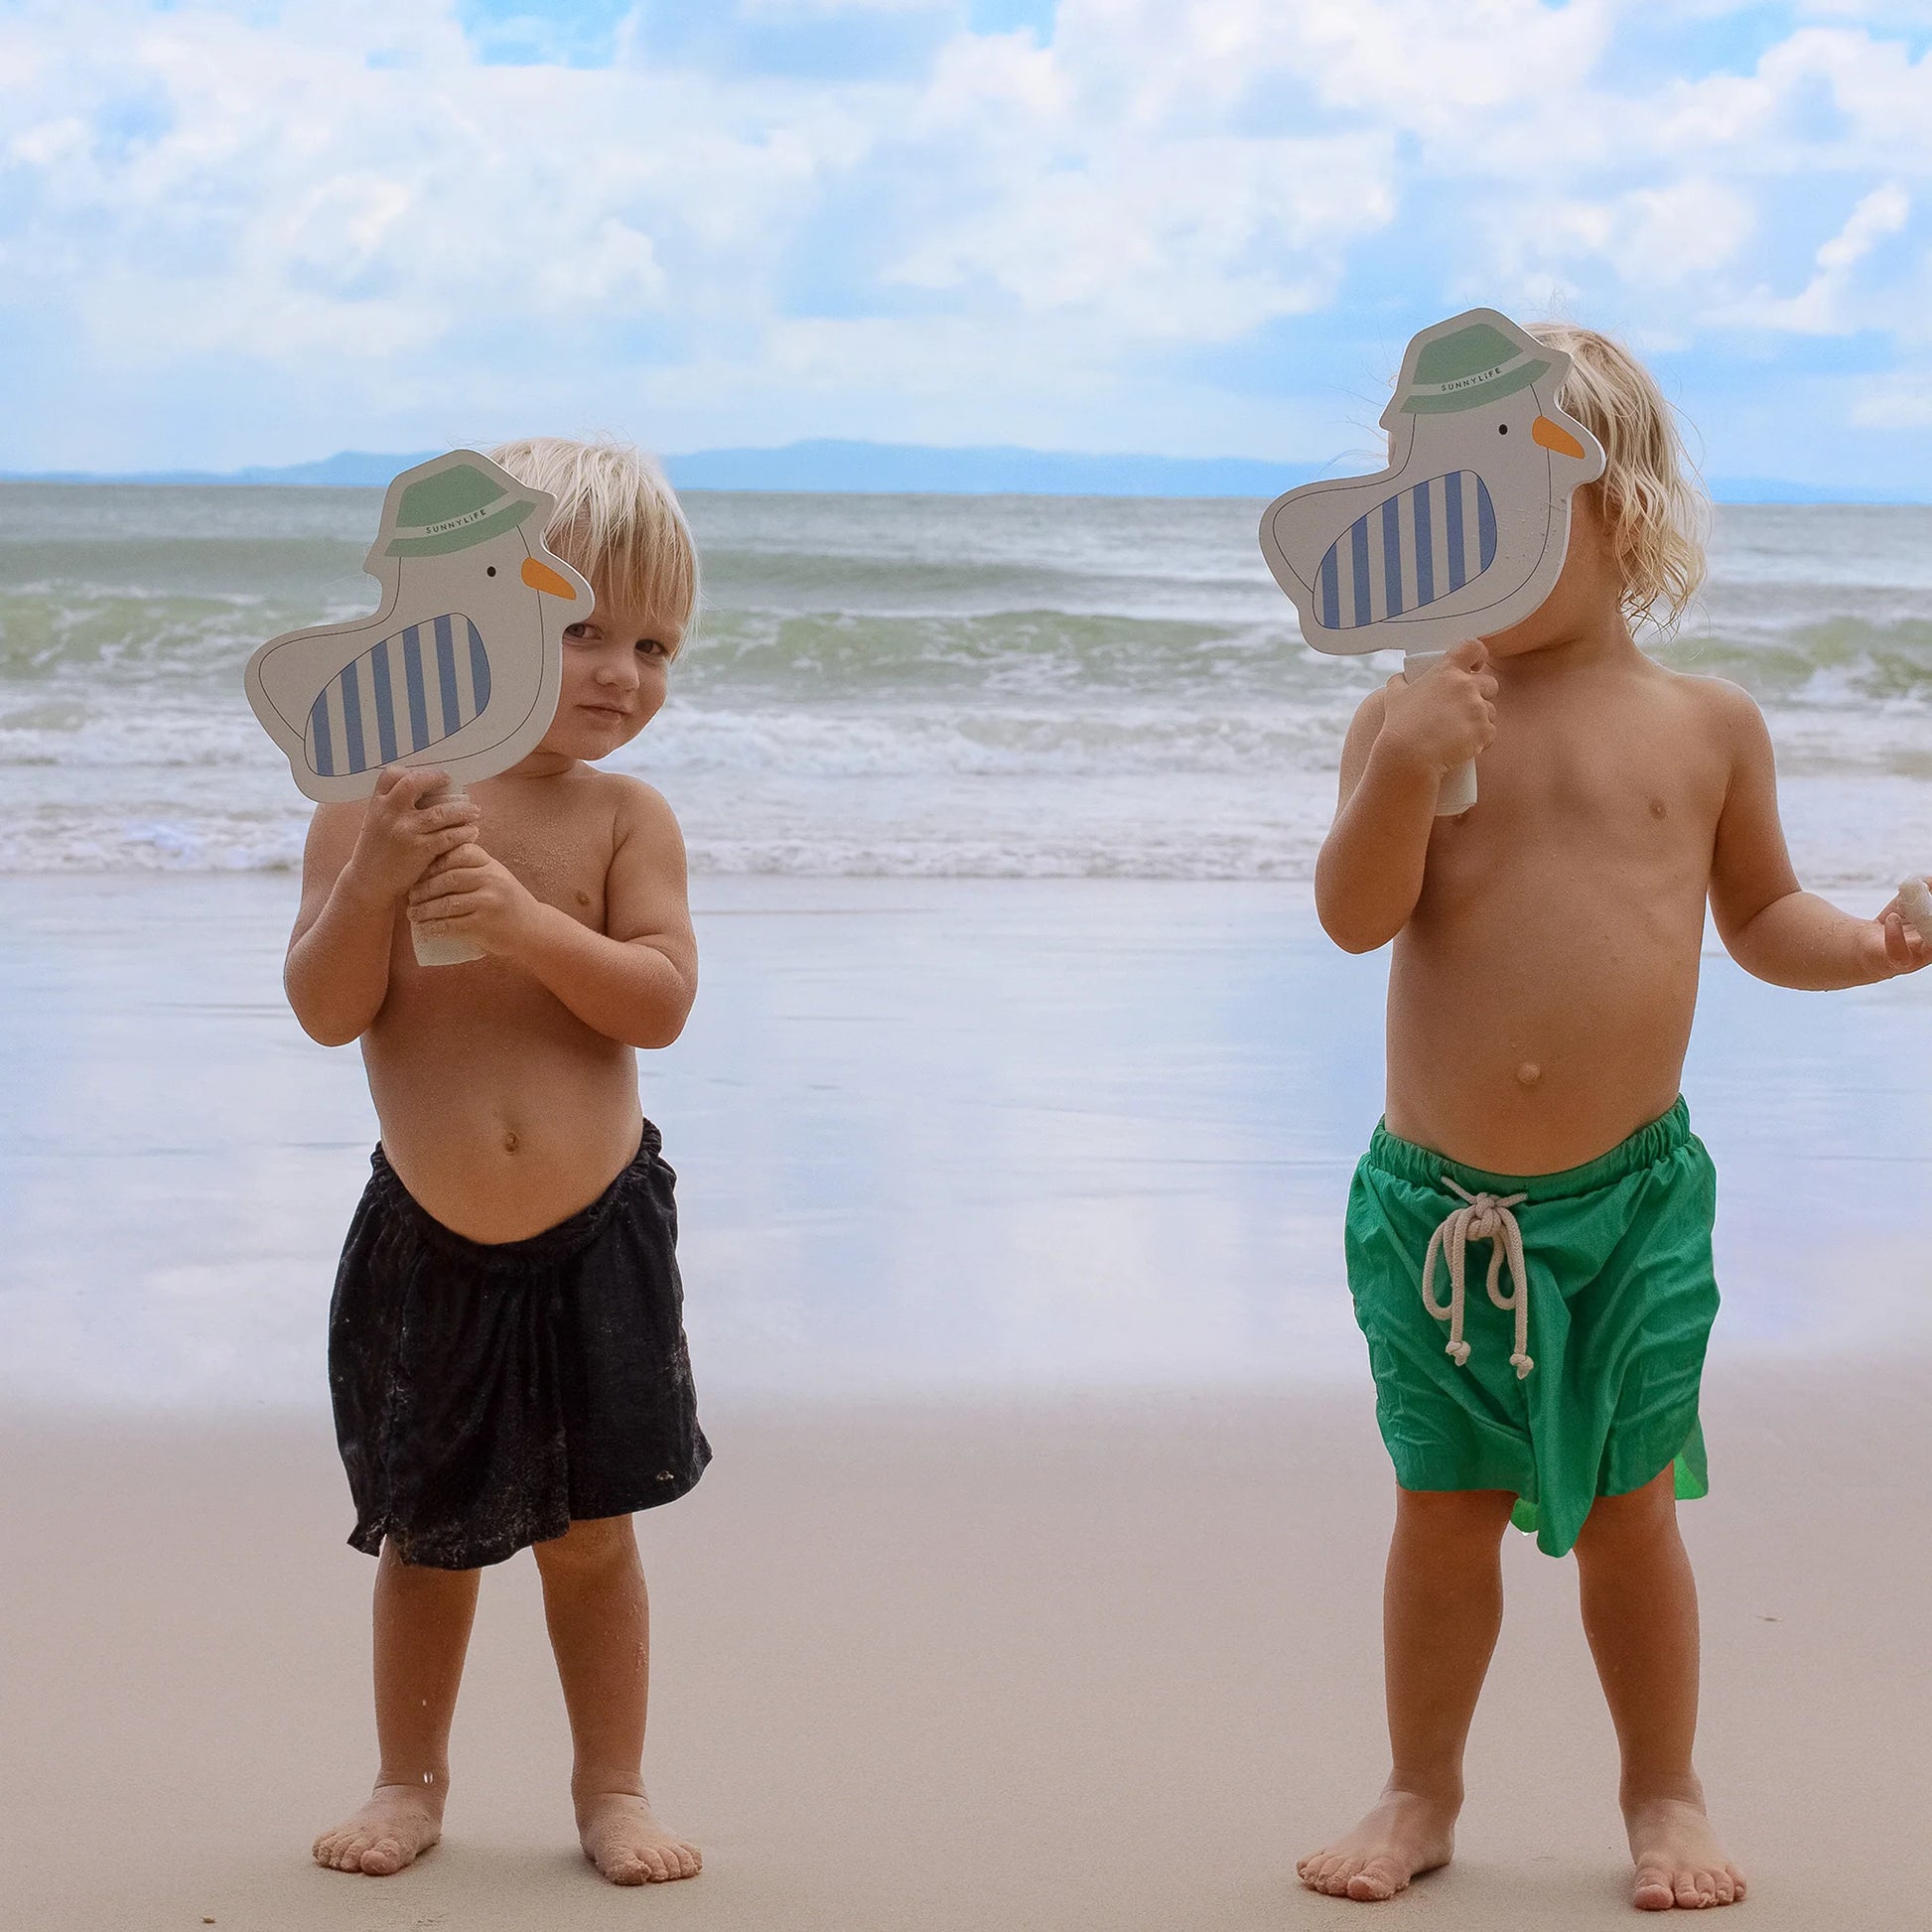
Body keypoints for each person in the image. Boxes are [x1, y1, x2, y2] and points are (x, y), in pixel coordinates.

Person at [1298, 326, 1929, 1910]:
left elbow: (1764, 912)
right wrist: (1398, 774)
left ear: (1616, 516)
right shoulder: (1412, 717)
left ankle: (1663, 1788)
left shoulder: (1706, 727)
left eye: (1500, 497)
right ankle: (1415, 1787)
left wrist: (1870, 944)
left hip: (1634, 1204)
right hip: (1434, 1212)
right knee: (1441, 1511)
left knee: (1632, 1513)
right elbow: (1352, 917)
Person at [283, 438, 709, 1886]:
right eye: (579, 627)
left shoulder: (620, 818)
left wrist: (529, 927)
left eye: (652, 644)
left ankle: (614, 1784)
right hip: (432, 1233)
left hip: (595, 1231)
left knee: (591, 1537)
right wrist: (375, 882)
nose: (618, 672)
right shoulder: (372, 805)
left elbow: (658, 999)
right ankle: (409, 1776)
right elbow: (327, 1007)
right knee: (431, 1534)